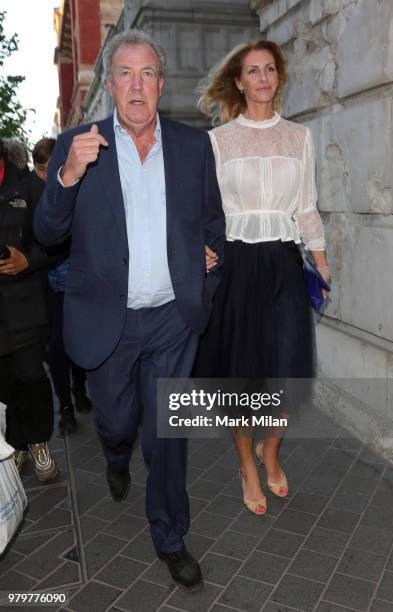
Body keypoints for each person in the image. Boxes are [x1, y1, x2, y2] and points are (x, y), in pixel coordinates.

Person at [34, 29, 225, 590]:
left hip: (171, 318)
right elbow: (47, 232)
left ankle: (170, 535)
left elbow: (212, 221)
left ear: (161, 86)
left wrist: (209, 259)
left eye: (147, 74)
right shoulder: (79, 143)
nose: (136, 85)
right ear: (111, 85)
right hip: (108, 322)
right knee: (117, 420)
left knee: (167, 434)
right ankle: (116, 451)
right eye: (125, 73)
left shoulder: (194, 147)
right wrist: (67, 174)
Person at [193, 40, 330, 515]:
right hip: (237, 265)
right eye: (253, 71)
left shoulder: (299, 137)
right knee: (243, 372)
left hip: (285, 265)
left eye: (270, 69)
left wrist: (322, 260)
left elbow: (307, 206)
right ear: (239, 82)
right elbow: (206, 211)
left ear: (278, 77)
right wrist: (205, 253)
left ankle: (269, 451)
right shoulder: (219, 141)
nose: (263, 78)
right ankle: (246, 465)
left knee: (286, 369)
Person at [0, 138, 58, 482]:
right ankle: (17, 444)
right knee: (4, 386)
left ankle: (39, 442)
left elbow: (54, 241)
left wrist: (27, 260)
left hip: (26, 305)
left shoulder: (27, 185)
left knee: (31, 377)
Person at [27, 138, 92, 435]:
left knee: (76, 341)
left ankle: (79, 388)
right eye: (40, 169)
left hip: (76, 281)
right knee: (56, 346)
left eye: (49, 168)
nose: (44, 176)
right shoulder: (33, 192)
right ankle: (65, 404)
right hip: (47, 285)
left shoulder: (76, 185)